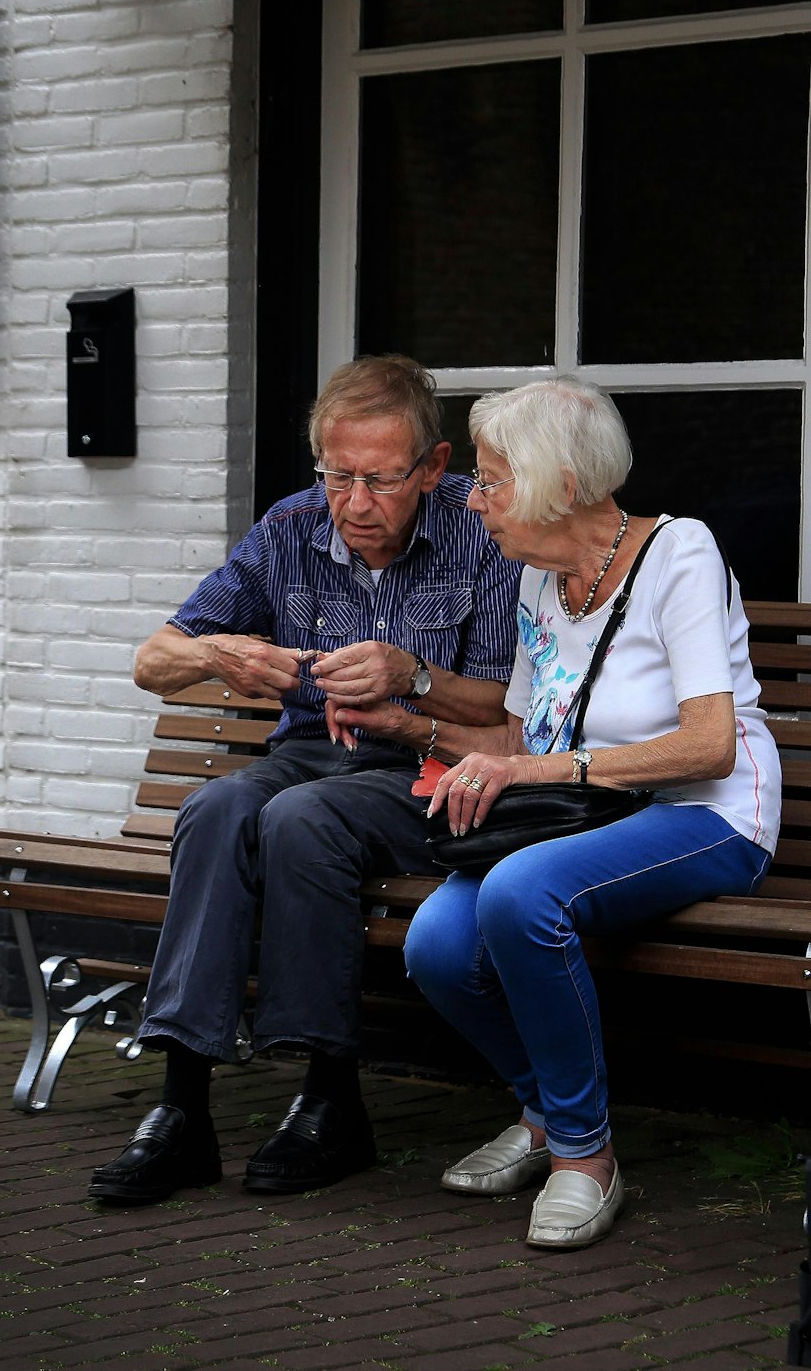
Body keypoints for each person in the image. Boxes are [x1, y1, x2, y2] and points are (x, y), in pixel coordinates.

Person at [331, 378, 781, 1249]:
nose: (474, 499)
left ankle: (585, 1152)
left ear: (561, 484)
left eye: (493, 479)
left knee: (520, 895)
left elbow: (712, 743)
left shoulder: (679, 554)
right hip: (586, 817)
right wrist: (414, 724)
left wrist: (548, 764)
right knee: (436, 944)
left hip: (710, 813)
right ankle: (543, 1110)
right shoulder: (541, 585)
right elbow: (518, 731)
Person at [88, 355, 520, 1206]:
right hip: (307, 759)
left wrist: (412, 676)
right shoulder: (288, 528)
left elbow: (513, 709)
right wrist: (221, 652)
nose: (355, 504)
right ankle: (182, 1109)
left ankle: (330, 1097)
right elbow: (152, 661)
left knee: (303, 817)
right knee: (216, 806)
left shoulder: (483, 534)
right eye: (337, 476)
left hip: (429, 765)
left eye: (381, 480)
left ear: (433, 468)